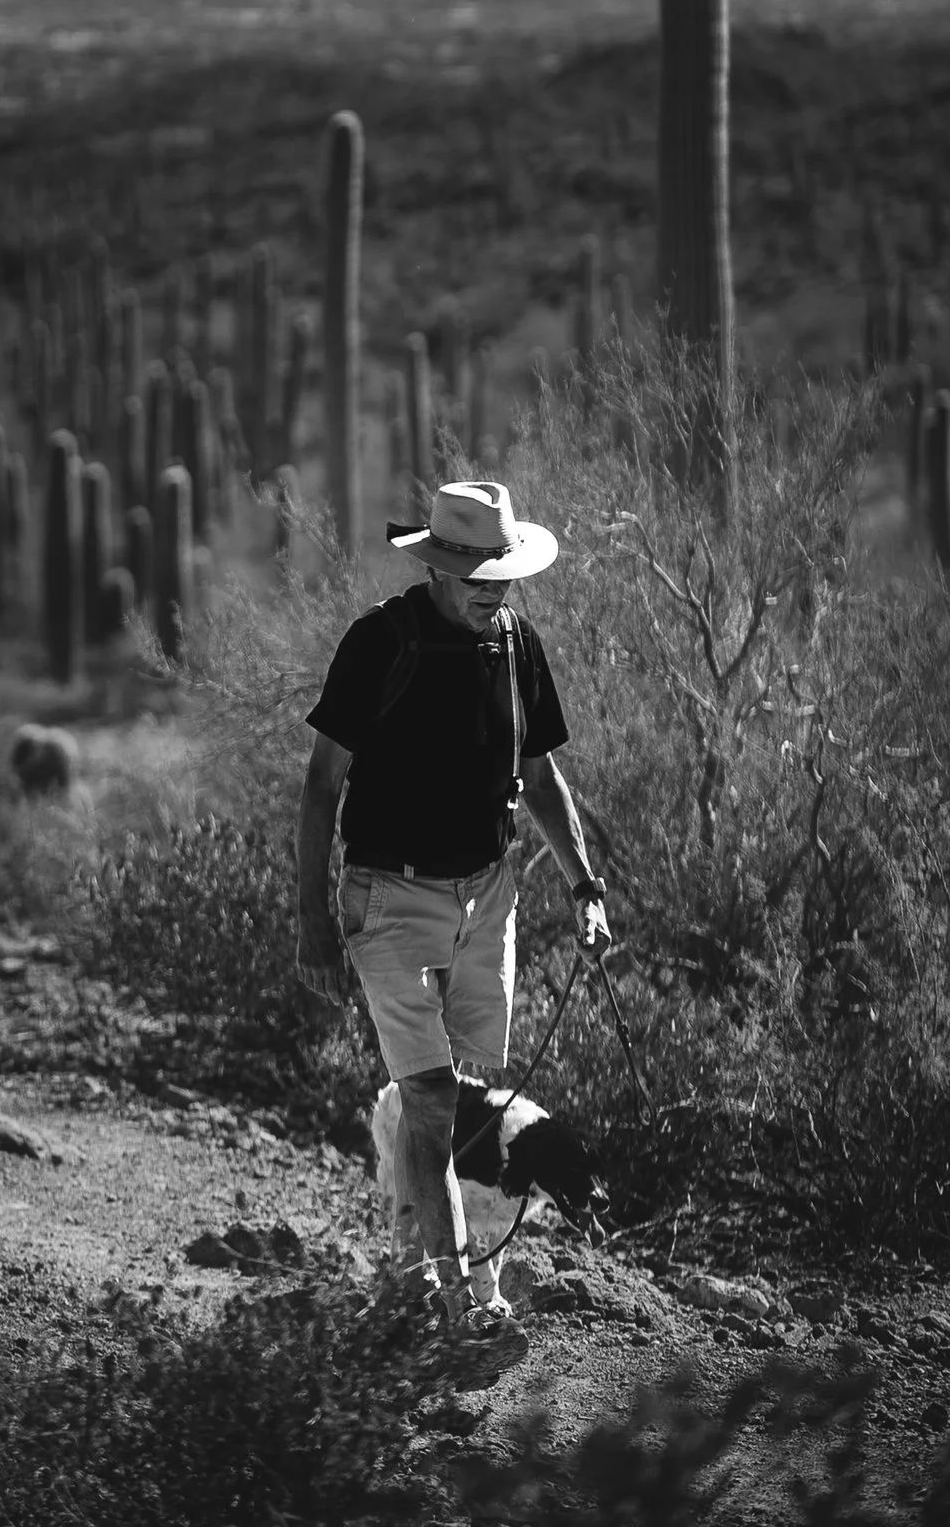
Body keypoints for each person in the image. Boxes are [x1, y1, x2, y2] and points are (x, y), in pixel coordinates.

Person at [295, 480, 609, 1324]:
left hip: (488, 896)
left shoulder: (514, 644)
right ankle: (460, 1293)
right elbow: (323, 784)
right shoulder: (377, 644)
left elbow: (540, 776)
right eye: (481, 578)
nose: (496, 592)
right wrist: (311, 917)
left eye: (504, 577)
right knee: (431, 1097)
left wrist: (584, 886)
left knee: (460, 1081)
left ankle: (426, 1254)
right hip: (389, 896)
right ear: (438, 567)